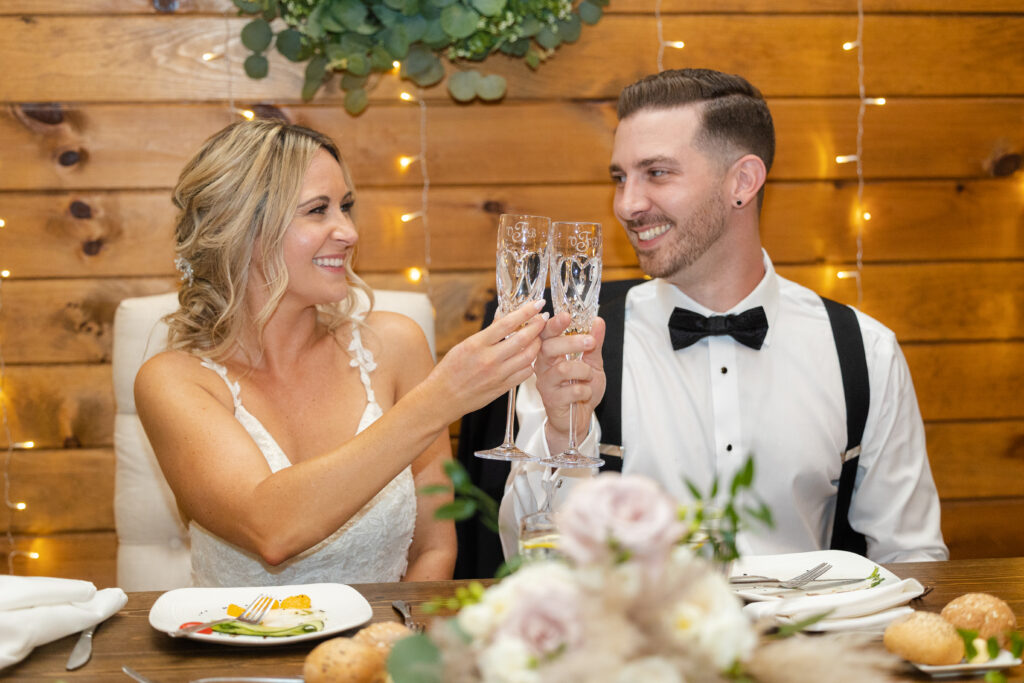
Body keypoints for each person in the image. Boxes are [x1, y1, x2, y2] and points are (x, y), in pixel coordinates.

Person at [499, 68, 948, 563]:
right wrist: (568, 436)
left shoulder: (865, 351)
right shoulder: (579, 344)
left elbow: (912, 557)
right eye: (619, 177)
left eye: (657, 173)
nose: (627, 204)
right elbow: (525, 556)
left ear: (743, 181)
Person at [135, 119, 548, 587]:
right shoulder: (175, 380)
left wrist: (400, 650)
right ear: (241, 229)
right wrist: (440, 400)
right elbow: (271, 528)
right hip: (238, 654)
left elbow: (435, 547)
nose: (348, 231)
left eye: (346, 207)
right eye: (318, 210)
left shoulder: (395, 345)